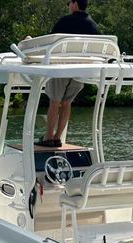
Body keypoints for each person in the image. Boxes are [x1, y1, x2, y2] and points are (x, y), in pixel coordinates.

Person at [36, 0, 100, 147]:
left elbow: (49, 43)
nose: (68, 6)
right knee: (67, 103)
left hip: (62, 68)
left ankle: (48, 137)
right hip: (80, 70)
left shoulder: (64, 22)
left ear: (75, 4)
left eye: (68, 3)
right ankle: (58, 138)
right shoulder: (93, 25)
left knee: (54, 102)